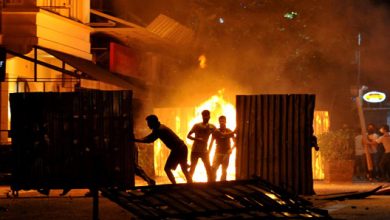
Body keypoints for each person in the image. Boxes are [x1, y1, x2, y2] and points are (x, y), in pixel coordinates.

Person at [131, 115, 192, 184]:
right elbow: (148, 138)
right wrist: (136, 140)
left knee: (167, 169)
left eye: (149, 123)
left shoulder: (159, 129)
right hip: (181, 148)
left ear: (153, 122)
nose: (148, 125)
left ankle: (176, 185)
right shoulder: (159, 128)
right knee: (183, 169)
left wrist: (134, 140)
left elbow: (149, 139)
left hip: (178, 149)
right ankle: (190, 184)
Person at [187, 110, 216, 181]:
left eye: (207, 116)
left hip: (204, 151)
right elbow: (188, 136)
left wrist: (210, 148)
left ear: (209, 117)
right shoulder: (197, 126)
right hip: (195, 151)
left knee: (208, 169)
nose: (206, 117)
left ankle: (210, 185)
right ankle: (189, 184)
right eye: (204, 116)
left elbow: (216, 136)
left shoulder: (212, 127)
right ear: (202, 117)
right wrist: (197, 139)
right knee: (192, 169)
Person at [209, 115, 236, 181]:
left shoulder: (229, 130)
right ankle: (213, 184)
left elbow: (236, 142)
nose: (222, 122)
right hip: (217, 153)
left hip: (226, 154)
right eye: (220, 121)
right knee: (214, 169)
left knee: (224, 171)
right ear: (219, 122)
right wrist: (208, 152)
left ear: (225, 121)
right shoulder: (216, 131)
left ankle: (222, 185)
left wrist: (231, 149)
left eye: (223, 121)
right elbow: (211, 142)